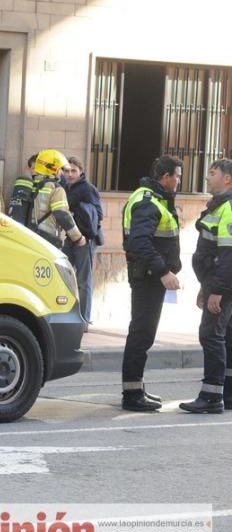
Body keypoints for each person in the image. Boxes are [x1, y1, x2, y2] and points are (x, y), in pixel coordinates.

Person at [120, 155, 182, 412]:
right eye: (176, 176)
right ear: (165, 177)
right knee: (141, 334)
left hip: (148, 276)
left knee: (143, 333)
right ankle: (132, 395)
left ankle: (136, 387)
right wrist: (164, 271)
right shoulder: (148, 202)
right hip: (148, 277)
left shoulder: (153, 199)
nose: (178, 181)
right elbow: (139, 243)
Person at [181, 159, 232, 413]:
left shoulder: (228, 208)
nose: (207, 177)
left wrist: (218, 290)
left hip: (223, 284)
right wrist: (206, 285)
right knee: (225, 336)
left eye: (212, 173)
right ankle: (227, 393)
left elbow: (228, 255)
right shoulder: (218, 207)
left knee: (211, 335)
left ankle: (212, 397)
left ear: (227, 179)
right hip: (215, 281)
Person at [62, 156, 104, 324]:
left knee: (83, 280)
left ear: (81, 171)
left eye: (74, 170)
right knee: (63, 274)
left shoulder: (88, 189)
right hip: (69, 237)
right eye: (67, 170)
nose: (70, 174)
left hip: (85, 239)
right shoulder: (64, 187)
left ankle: (84, 319)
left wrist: (80, 215)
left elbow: (99, 214)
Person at [30, 149, 86, 250]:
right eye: (60, 169)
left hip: (30, 236)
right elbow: (62, 214)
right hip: (47, 240)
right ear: (53, 169)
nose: (61, 172)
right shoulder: (56, 189)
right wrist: (78, 238)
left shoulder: (31, 185)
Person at [7, 153, 38, 225]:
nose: (35, 171)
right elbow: (16, 211)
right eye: (33, 168)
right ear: (30, 169)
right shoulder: (25, 185)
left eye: (38, 168)